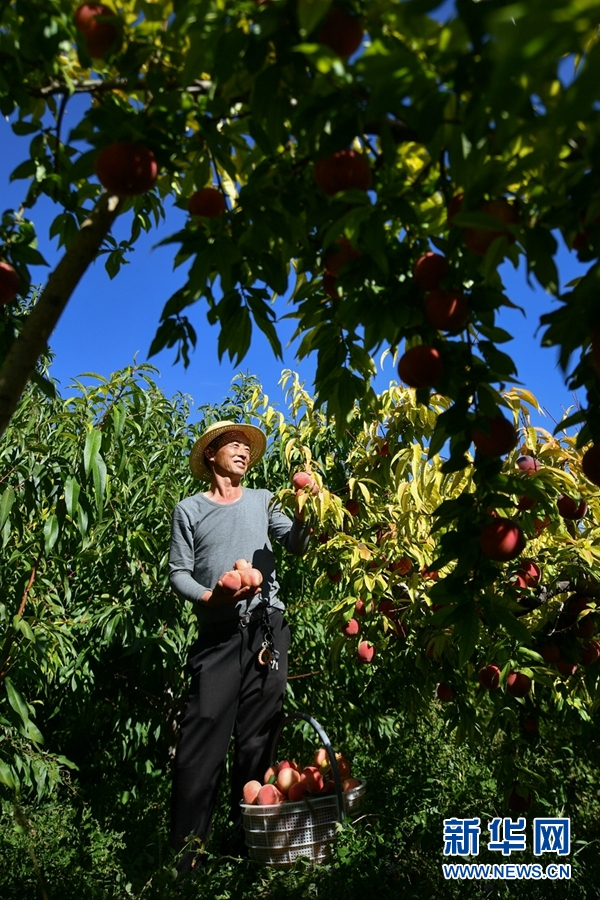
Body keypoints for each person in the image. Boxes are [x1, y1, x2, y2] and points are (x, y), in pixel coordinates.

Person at [168, 419, 316, 871]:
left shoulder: (264, 500)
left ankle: (250, 850)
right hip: (217, 636)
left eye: (246, 446)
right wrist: (210, 597)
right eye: (232, 443)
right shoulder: (189, 510)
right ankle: (186, 860)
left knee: (258, 739)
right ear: (210, 455)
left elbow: (296, 543)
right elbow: (178, 573)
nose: (243, 451)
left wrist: (306, 510)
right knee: (202, 739)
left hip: (266, 630)